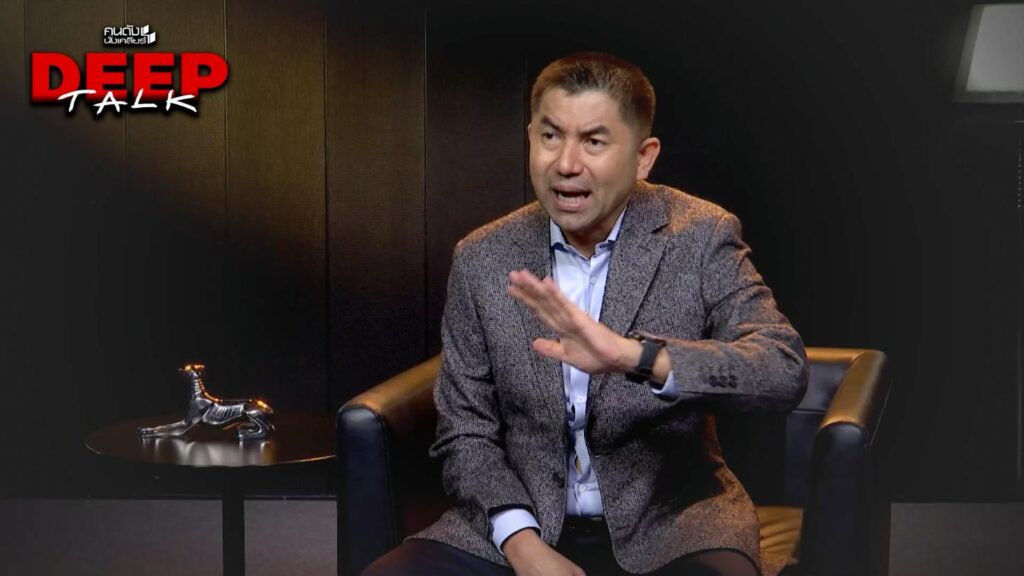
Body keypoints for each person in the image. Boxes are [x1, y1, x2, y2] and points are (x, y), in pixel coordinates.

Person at [363, 52, 807, 576]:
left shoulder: (701, 235)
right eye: (551, 136)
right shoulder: (482, 256)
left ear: (643, 157)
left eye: (593, 142)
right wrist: (522, 543)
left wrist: (636, 357)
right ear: (531, 138)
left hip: (673, 524)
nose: (566, 163)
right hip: (519, 522)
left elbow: (782, 369)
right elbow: (464, 431)